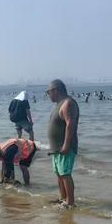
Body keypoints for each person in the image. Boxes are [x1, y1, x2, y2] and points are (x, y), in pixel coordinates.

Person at [47, 79, 80, 208]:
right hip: (56, 147)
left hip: (64, 146)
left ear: (56, 90)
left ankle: (70, 202)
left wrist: (66, 145)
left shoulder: (68, 103)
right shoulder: (59, 104)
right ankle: (63, 199)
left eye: (48, 92)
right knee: (59, 174)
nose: (48, 95)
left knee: (65, 174)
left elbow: (70, 124)